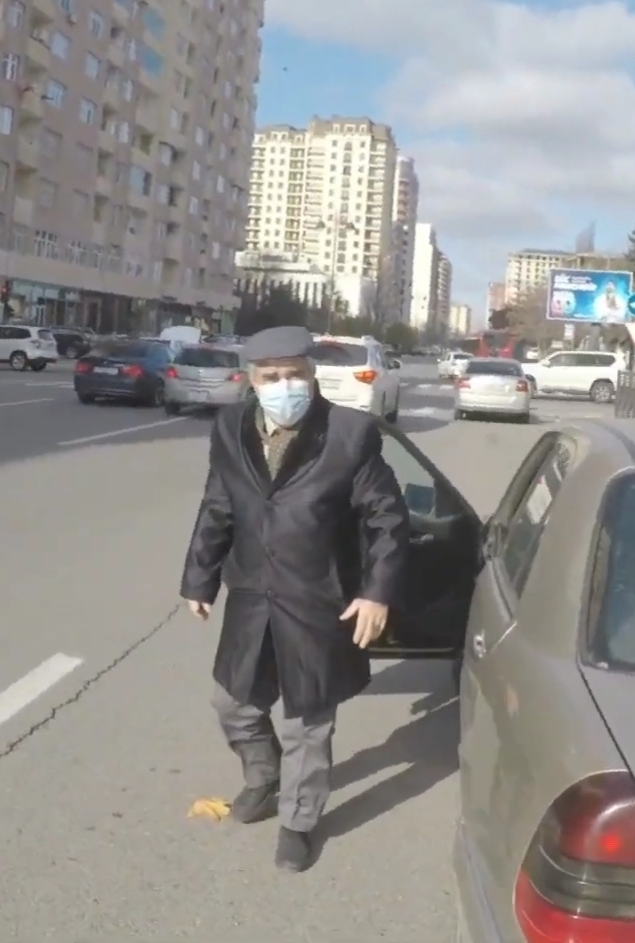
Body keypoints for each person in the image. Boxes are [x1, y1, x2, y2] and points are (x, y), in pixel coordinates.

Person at [179, 324, 412, 873]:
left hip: (318, 598)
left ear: (311, 375)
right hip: (252, 594)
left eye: (294, 375)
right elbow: (218, 504)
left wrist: (376, 593)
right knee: (232, 703)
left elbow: (387, 518)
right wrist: (199, 579)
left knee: (308, 719)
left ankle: (299, 821)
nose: (284, 386)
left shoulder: (350, 432)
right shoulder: (231, 428)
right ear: (253, 380)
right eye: (271, 377)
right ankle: (265, 776)